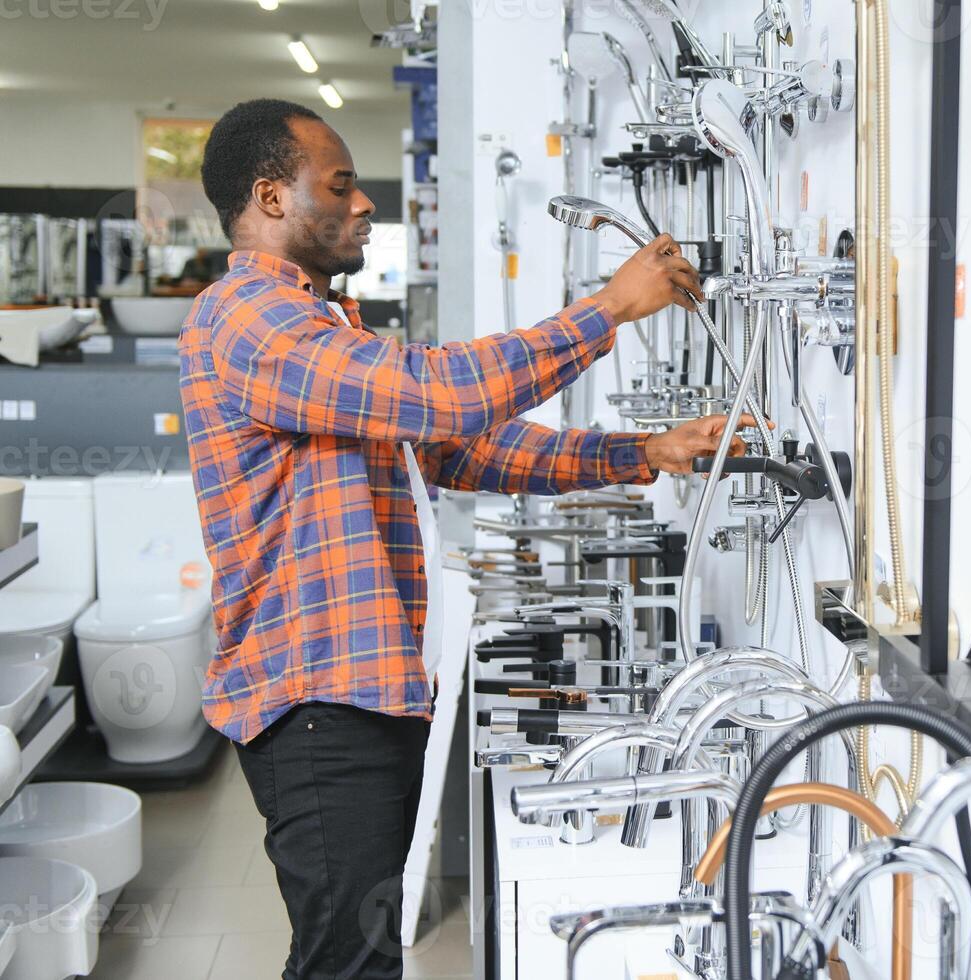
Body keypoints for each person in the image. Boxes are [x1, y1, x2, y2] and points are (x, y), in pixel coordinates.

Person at [178, 98, 755, 979]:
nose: (364, 203)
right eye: (340, 185)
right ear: (270, 199)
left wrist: (642, 451)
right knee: (346, 961)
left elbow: (462, 447)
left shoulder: (325, 324)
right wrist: (604, 311)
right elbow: (436, 397)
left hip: (367, 691)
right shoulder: (248, 319)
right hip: (316, 704)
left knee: (355, 954)